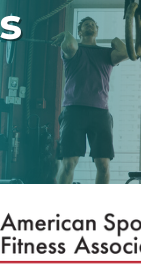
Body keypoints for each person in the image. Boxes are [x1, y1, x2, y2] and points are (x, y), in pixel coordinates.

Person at [53, 17, 128, 184]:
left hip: (100, 112)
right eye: (86, 24)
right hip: (73, 112)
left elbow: (125, 53)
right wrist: (66, 33)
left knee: (103, 164)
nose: (90, 25)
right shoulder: (73, 51)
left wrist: (117, 41)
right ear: (79, 32)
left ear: (97, 30)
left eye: (93, 24)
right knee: (68, 164)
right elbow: (70, 44)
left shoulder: (106, 54)